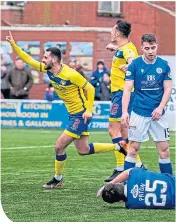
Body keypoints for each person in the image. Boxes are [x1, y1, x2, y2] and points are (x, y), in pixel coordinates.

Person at [6, 31, 127, 189]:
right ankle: (120, 146)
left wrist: (88, 110)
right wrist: (13, 44)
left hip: (80, 114)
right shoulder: (48, 69)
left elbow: (90, 88)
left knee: (58, 146)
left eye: (45, 57)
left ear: (54, 59)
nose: (42, 60)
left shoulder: (70, 73)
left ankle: (57, 179)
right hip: (73, 114)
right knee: (83, 150)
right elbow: (27, 59)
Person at [121, 34, 173, 174]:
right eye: (147, 48)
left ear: (157, 46)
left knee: (164, 150)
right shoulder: (135, 65)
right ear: (142, 48)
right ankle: (128, 184)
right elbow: (127, 89)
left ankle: (169, 183)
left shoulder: (163, 65)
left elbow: (168, 89)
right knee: (133, 149)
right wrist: (125, 111)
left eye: (153, 48)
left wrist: (160, 107)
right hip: (139, 112)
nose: (151, 51)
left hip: (157, 114)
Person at [104, 20, 143, 182]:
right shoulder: (123, 48)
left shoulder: (128, 49)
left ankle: (129, 165)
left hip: (122, 94)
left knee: (113, 131)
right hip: (120, 93)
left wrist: (131, 65)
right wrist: (115, 48)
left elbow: (132, 58)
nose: (111, 33)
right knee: (124, 131)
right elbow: (127, 52)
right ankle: (129, 165)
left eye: (113, 30)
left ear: (118, 33)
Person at [97, 167, 175, 209]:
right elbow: (128, 171)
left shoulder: (131, 204)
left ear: (120, 201)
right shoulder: (135, 175)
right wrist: (110, 183)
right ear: (118, 183)